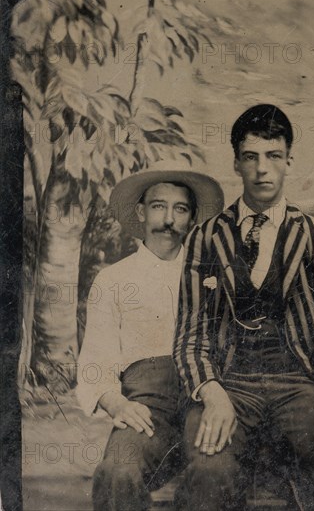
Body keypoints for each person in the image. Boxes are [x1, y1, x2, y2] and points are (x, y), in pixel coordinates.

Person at [173, 105, 314, 510]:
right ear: (236, 162)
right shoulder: (205, 238)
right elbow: (190, 336)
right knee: (207, 474)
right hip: (230, 383)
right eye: (250, 157)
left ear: (289, 160)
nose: (262, 169)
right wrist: (213, 394)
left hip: (298, 384)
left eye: (272, 156)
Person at [76, 160, 224, 511]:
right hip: (145, 407)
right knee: (116, 473)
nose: (169, 220)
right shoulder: (112, 280)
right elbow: (95, 362)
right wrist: (118, 404)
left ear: (192, 218)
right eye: (159, 207)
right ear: (141, 212)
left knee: (213, 471)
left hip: (203, 400)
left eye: (180, 209)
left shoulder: (213, 276)